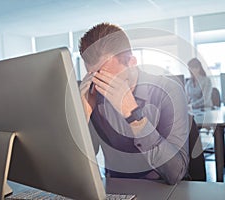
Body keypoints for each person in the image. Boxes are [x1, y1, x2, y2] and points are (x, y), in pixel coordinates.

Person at [78, 22, 189, 185]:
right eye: (97, 78)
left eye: (110, 79)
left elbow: (175, 173)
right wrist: (82, 117)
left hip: (161, 187)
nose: (105, 87)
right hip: (115, 187)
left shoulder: (168, 91)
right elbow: (84, 161)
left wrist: (133, 115)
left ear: (131, 62)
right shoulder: (94, 94)